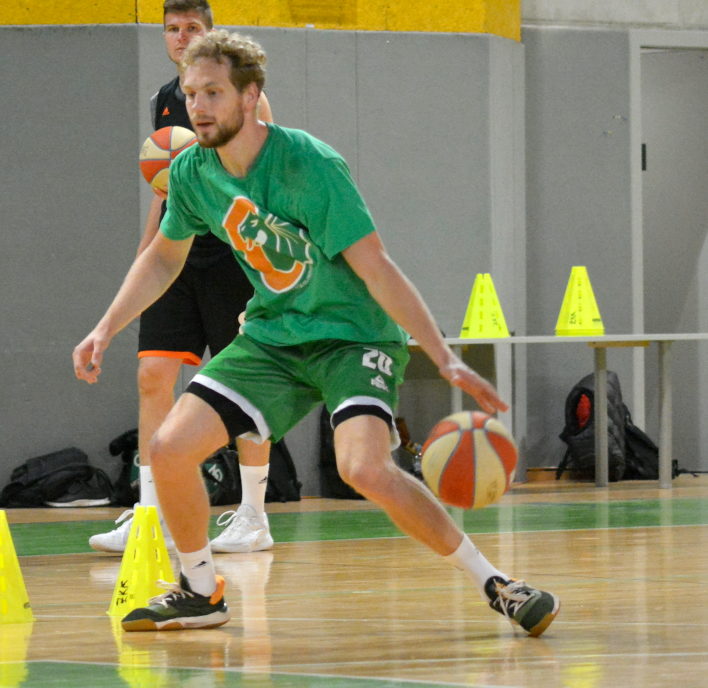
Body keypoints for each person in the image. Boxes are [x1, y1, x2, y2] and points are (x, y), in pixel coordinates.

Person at [73, 31, 560, 636]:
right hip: (274, 337)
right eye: (191, 93)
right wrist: (104, 327)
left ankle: (497, 584)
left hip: (352, 338)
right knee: (170, 450)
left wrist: (443, 355)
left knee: (364, 469)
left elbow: (376, 265)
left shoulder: (310, 164)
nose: (198, 106)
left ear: (250, 97)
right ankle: (201, 590)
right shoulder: (193, 172)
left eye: (214, 93)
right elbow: (163, 259)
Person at [88, 0, 277, 556]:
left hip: (233, 259)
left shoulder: (248, 101)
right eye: (172, 28)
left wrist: (266, 266)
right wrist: (144, 257)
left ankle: (253, 515)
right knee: (152, 377)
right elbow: (166, 187)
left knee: (242, 385)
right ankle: (152, 512)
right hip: (180, 257)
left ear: (210, 33)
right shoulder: (166, 103)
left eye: (192, 27)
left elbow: (264, 175)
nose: (181, 37)